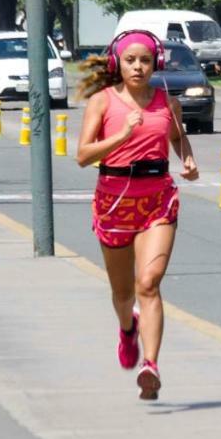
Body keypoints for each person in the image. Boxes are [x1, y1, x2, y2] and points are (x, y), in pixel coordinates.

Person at [76, 30, 198, 401]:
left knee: (149, 282)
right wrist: (122, 135)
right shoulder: (102, 102)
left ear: (155, 63)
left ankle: (151, 365)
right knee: (123, 292)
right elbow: (83, 156)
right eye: (130, 60)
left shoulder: (167, 103)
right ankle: (127, 328)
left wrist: (188, 160)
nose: (138, 67)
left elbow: (177, 137)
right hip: (113, 202)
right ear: (117, 63)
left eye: (145, 60)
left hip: (157, 200)